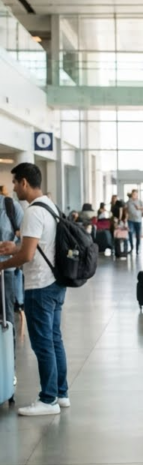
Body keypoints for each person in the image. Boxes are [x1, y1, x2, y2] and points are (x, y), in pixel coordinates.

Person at [0, 163, 69, 416]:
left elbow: (28, 255)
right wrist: (14, 247)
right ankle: (61, 394)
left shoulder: (31, 212)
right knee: (54, 340)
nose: (14, 187)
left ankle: (47, 399)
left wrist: (3, 265)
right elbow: (36, 245)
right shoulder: (49, 206)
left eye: (16, 182)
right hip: (56, 283)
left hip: (39, 286)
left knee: (42, 344)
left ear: (25, 182)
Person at [0, 188, 24, 350]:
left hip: (5, 273)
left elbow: (27, 239)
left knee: (7, 319)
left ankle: (9, 369)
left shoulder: (10, 206)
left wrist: (14, 246)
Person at [126, 189, 143, 255]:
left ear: (137, 195)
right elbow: (126, 210)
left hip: (138, 220)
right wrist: (125, 218)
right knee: (130, 233)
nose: (134, 195)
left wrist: (139, 208)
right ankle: (131, 247)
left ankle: (137, 249)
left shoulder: (140, 201)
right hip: (130, 220)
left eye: (135, 194)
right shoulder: (129, 201)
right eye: (133, 194)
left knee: (138, 235)